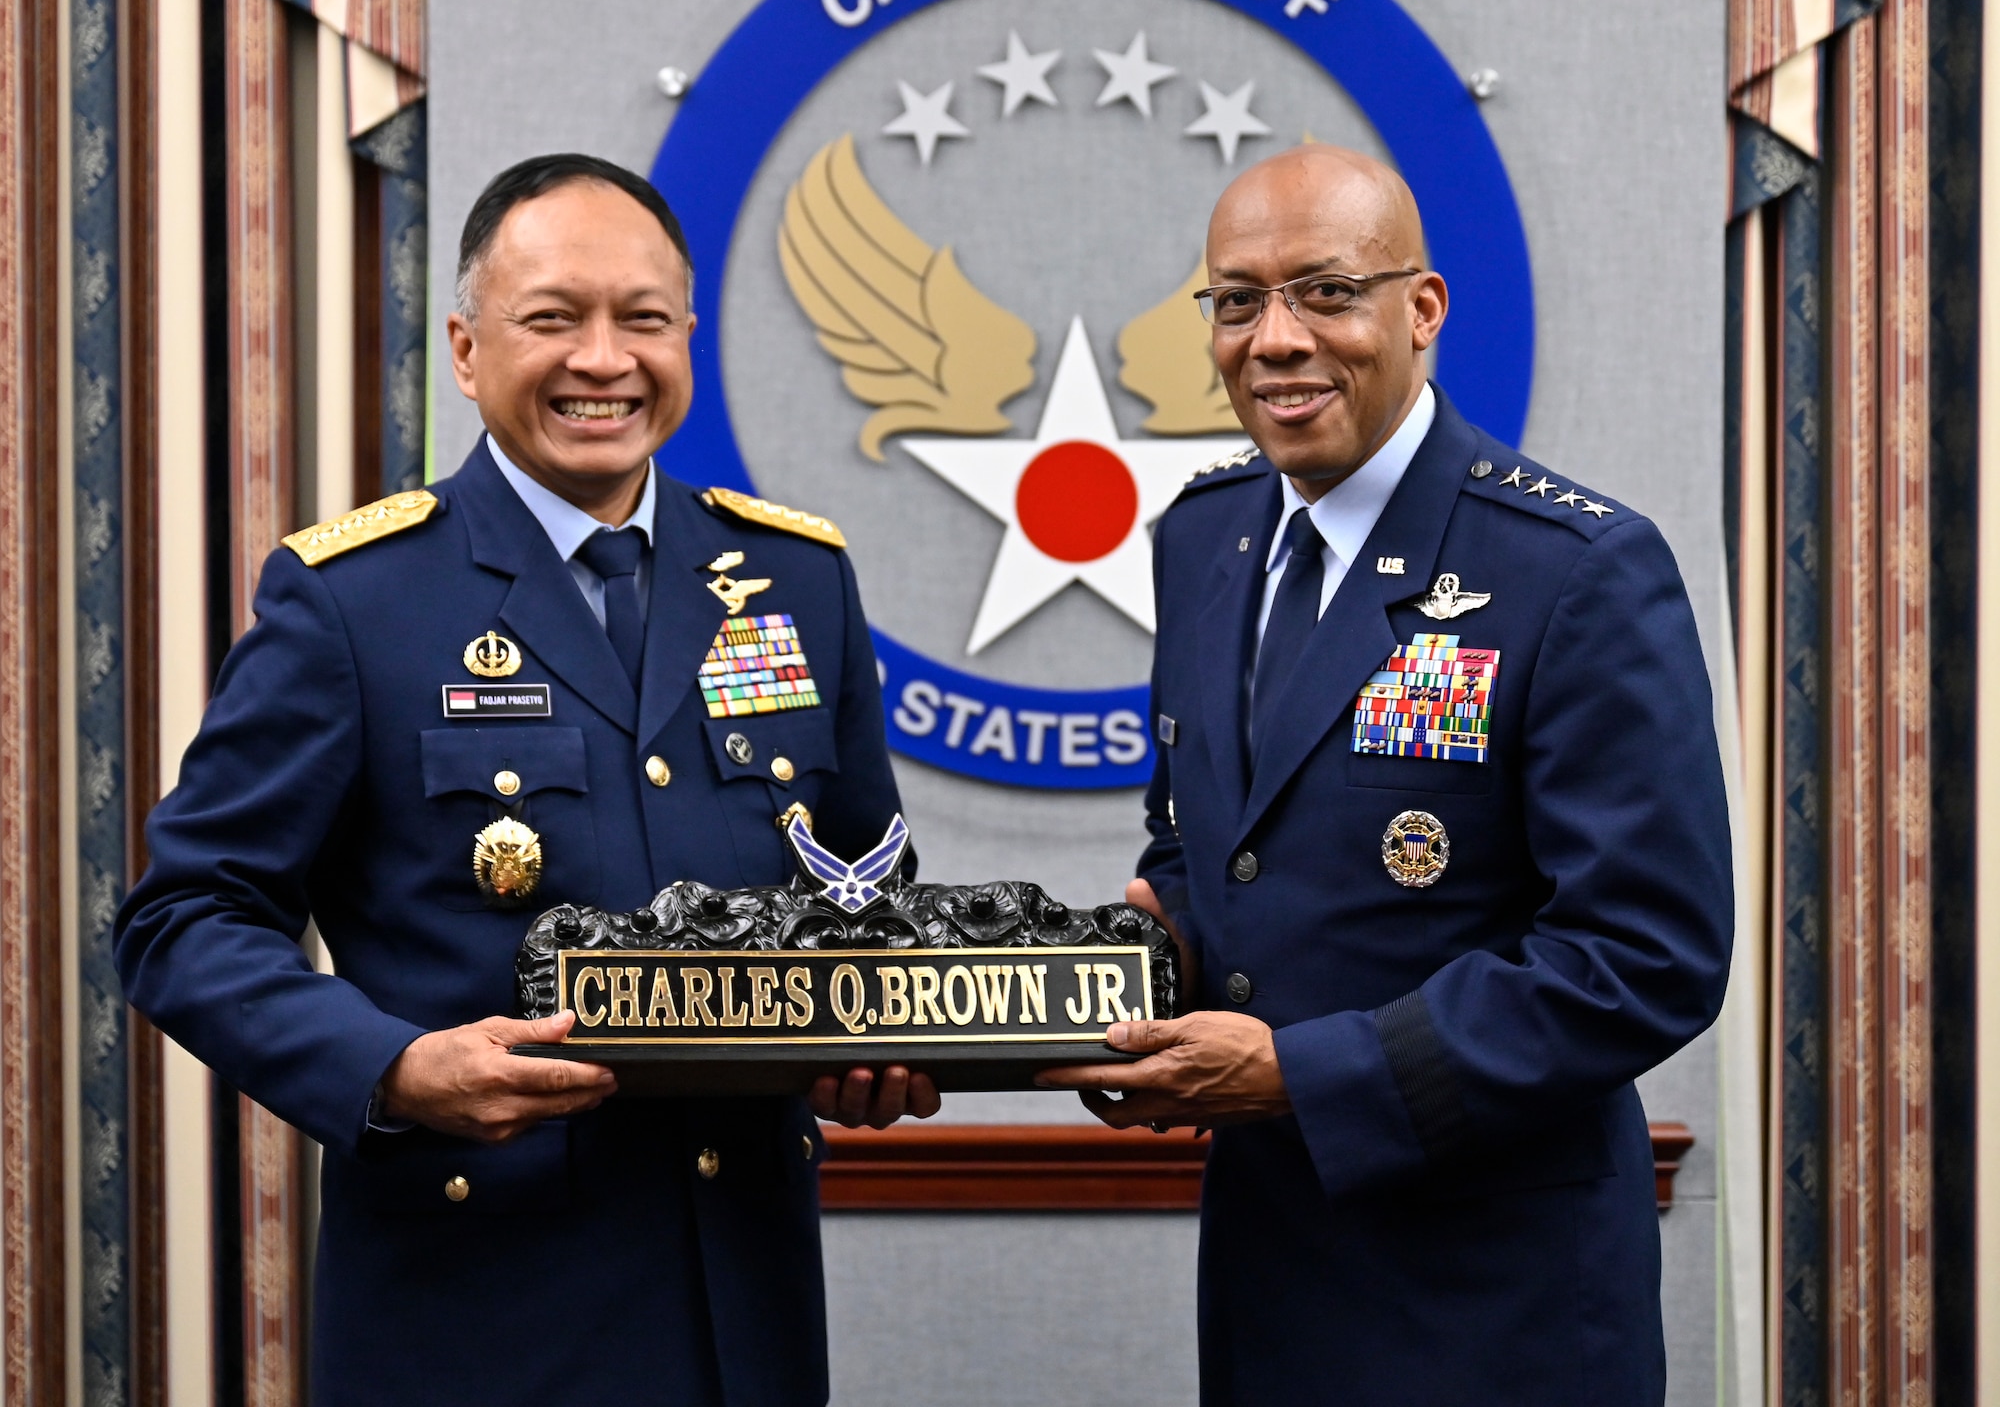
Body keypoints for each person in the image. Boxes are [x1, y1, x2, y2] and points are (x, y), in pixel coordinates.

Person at [116, 154, 937, 1407]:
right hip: (476, 1313)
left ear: (687, 339)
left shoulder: (793, 579)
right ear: (464, 346)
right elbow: (183, 920)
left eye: (642, 320)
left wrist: (872, 1031)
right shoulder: (354, 601)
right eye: (553, 317)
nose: (602, 360)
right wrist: (391, 1068)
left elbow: (862, 886)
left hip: (741, 1315)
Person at [1041, 145, 1732, 1405]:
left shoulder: (1574, 569)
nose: (1275, 339)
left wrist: (1300, 1075)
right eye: (1236, 300)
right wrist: (1144, 962)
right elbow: (1201, 845)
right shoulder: (1202, 539)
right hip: (1271, 1272)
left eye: (1324, 291)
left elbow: (1646, 957)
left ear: (1419, 311)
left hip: (1494, 1300)